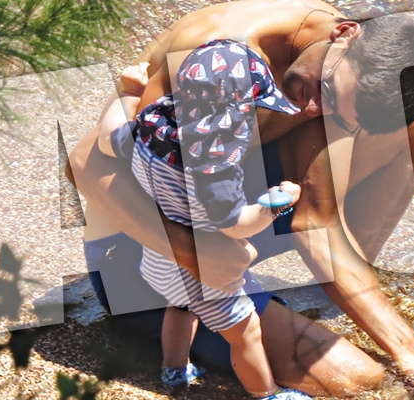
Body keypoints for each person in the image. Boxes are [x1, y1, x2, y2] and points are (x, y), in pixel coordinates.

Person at [69, 0, 414, 397]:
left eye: (334, 112)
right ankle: (279, 322)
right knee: (358, 380)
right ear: (345, 33)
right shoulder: (217, 57)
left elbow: (315, 222)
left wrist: (404, 344)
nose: (312, 108)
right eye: (327, 92)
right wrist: (195, 251)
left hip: (225, 218)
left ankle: (329, 305)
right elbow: (85, 162)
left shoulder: (327, 62)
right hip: (140, 252)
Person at [96, 41, 310, 399]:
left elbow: (107, 138)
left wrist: (129, 92)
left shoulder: (150, 130)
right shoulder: (214, 166)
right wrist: (276, 204)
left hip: (161, 256)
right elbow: (234, 223)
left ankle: (174, 370)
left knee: (181, 308)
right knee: (247, 332)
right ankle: (268, 393)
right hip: (203, 270)